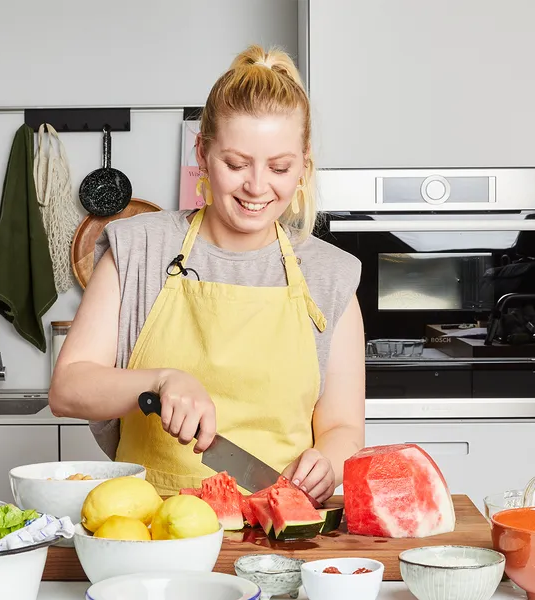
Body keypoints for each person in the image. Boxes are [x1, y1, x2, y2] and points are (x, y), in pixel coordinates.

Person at [49, 44, 365, 503]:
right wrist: (159, 381)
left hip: (278, 526)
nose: (257, 186)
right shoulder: (139, 247)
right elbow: (68, 388)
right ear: (202, 151)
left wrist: (330, 461)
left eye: (279, 167)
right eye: (236, 164)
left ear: (303, 164)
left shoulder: (330, 275)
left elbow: (342, 427)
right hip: (152, 527)